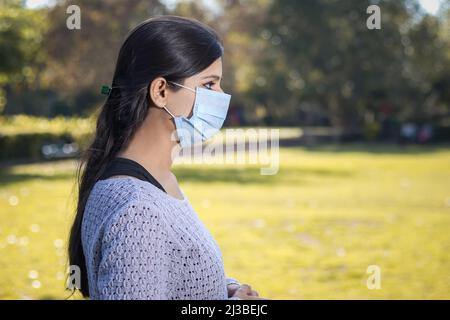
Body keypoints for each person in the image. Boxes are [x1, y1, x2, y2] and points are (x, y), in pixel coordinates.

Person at [68, 15, 264, 300]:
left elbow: (171, 276)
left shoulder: (157, 180)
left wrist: (228, 291)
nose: (222, 96)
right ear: (161, 91)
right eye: (210, 85)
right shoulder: (136, 210)